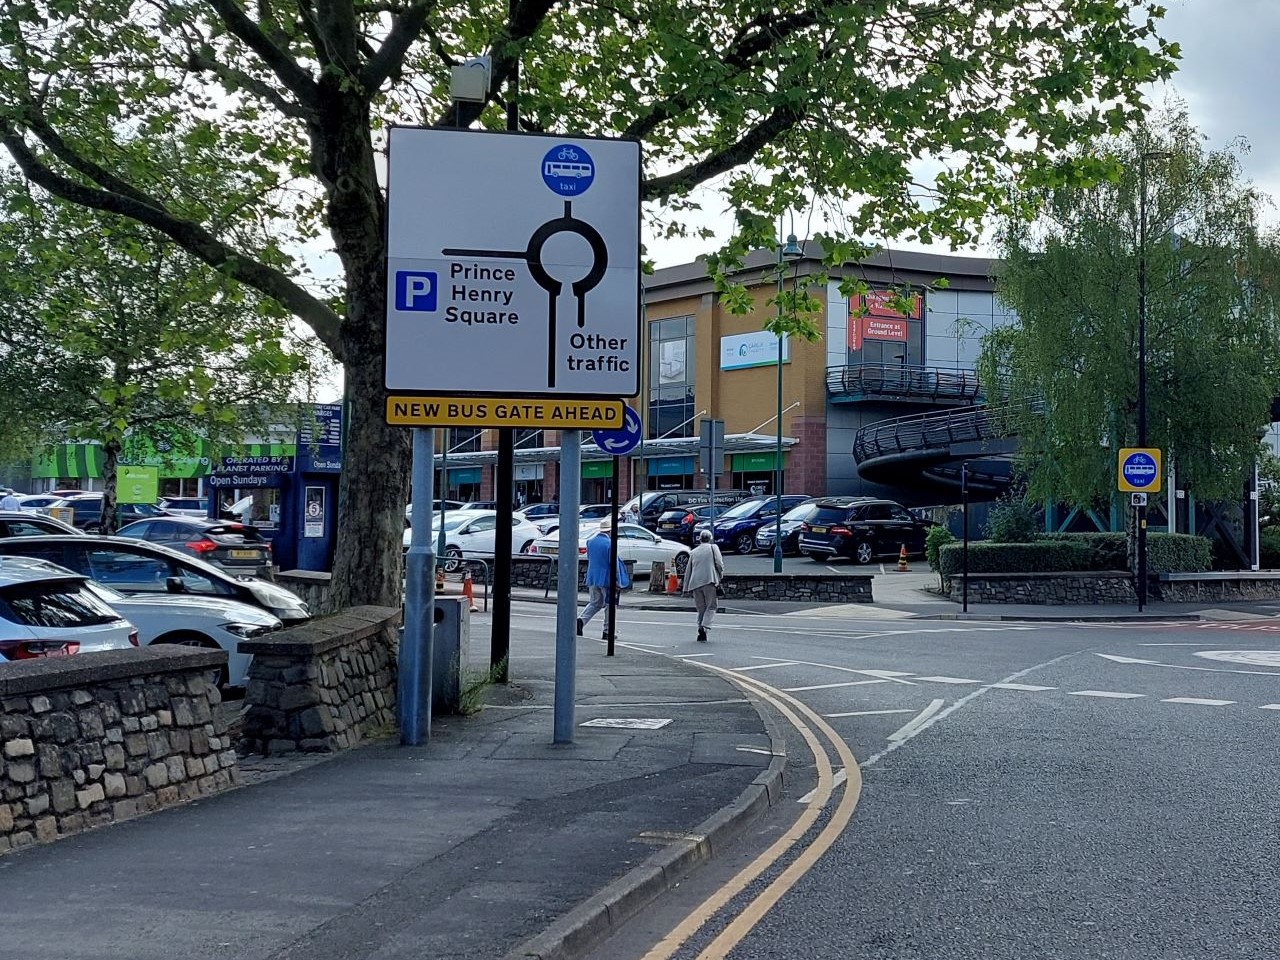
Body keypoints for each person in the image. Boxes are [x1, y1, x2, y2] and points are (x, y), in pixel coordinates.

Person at [577, 520, 631, 638]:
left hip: (592, 577)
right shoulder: (610, 544)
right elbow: (614, 564)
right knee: (610, 605)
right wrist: (617, 581)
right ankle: (607, 631)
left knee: (595, 602)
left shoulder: (590, 542)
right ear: (610, 531)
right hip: (607, 579)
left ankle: (580, 621)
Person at [683, 529, 724, 642]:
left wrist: (686, 587)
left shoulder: (694, 552)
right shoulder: (713, 547)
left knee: (701, 608)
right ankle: (704, 626)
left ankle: (701, 631)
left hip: (695, 582)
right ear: (710, 538)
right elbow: (719, 564)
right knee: (711, 606)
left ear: (700, 539)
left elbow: (688, 570)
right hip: (709, 580)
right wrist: (720, 576)